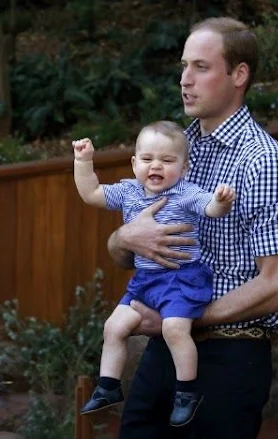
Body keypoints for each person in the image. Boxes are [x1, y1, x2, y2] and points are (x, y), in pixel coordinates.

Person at [109, 17, 278, 438]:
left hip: (230, 358)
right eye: (184, 66)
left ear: (239, 75)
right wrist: (123, 237)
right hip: (164, 351)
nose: (185, 80)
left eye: (201, 67)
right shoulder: (172, 150)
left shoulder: (263, 163)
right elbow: (123, 251)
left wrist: (189, 320)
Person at [72, 121, 236, 427]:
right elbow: (91, 193)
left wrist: (221, 201)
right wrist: (83, 161)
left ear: (185, 168)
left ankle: (186, 392)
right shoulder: (129, 191)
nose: (156, 166)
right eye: (147, 159)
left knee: (174, 329)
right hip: (145, 282)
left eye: (167, 160)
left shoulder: (186, 193)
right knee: (114, 327)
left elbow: (210, 209)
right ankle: (108, 386)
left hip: (181, 278)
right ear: (134, 163)